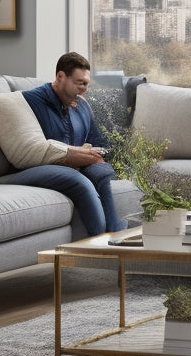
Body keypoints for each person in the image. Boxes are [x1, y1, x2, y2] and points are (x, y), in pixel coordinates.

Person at [17, 52, 127, 235]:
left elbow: (96, 140)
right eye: (80, 83)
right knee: (78, 180)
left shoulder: (81, 105)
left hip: (80, 165)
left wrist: (100, 156)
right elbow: (31, 147)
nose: (84, 89)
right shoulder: (31, 101)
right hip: (44, 167)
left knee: (103, 171)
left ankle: (115, 235)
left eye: (86, 84)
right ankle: (101, 238)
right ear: (60, 76)